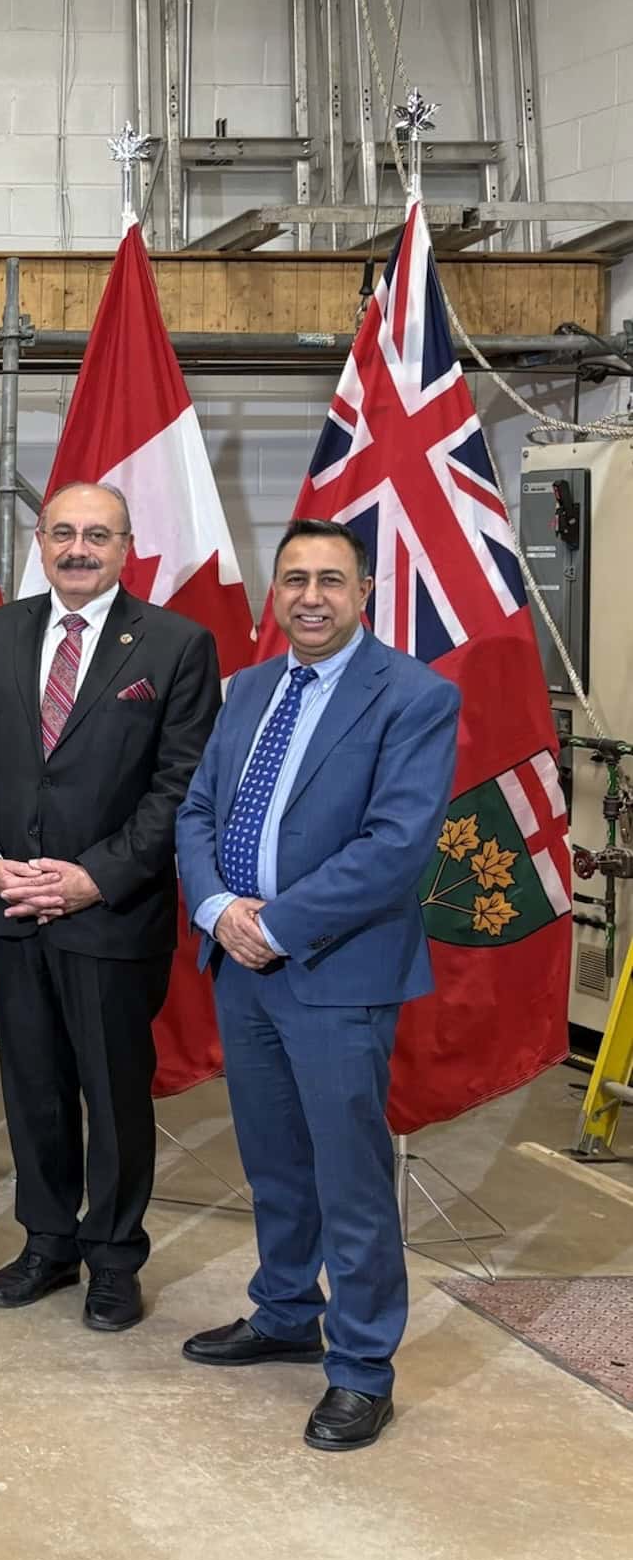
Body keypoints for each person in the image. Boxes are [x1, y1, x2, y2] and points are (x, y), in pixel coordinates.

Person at [174, 518, 459, 1454]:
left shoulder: (413, 697)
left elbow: (396, 848)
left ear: (364, 591)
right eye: (293, 578)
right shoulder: (249, 687)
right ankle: (286, 1308)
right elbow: (202, 809)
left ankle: (362, 1367)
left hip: (335, 971)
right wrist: (218, 909)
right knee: (275, 1161)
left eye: (330, 579)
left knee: (350, 1176)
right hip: (243, 964)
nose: (309, 596)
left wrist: (277, 925)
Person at [0, 481, 220, 1331]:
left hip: (110, 911)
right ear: (39, 538)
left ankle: (113, 1256)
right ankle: (47, 1243)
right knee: (31, 1085)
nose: (78, 548)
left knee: (112, 1093)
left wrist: (93, 876)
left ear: (126, 545)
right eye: (63, 532)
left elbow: (181, 786)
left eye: (96, 535)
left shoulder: (177, 644)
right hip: (10, 906)